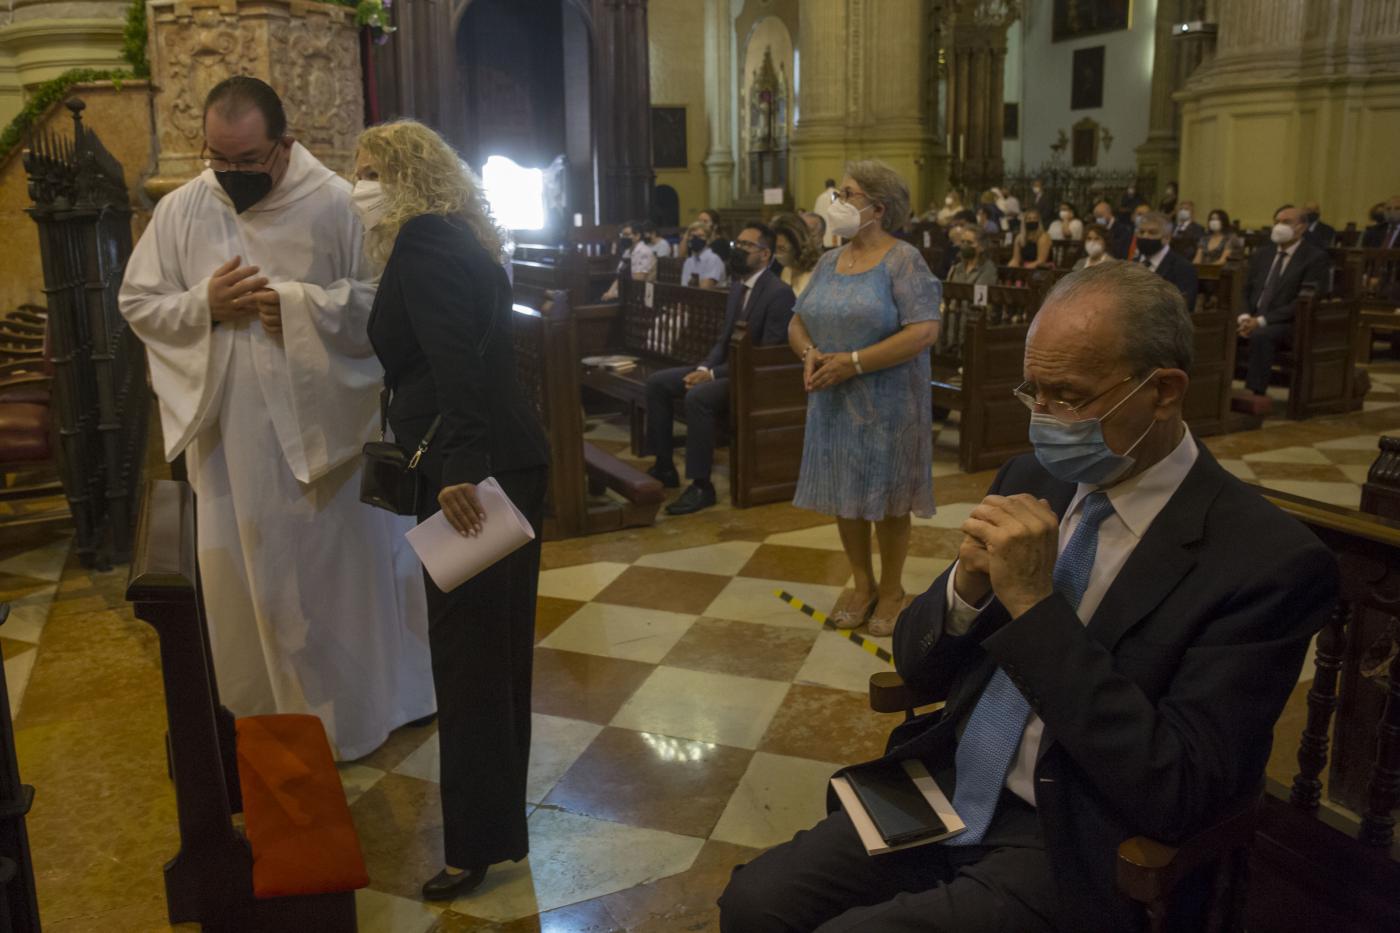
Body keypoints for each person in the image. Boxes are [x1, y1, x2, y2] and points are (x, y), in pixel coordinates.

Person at [718, 260, 1337, 933]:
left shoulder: (1263, 560)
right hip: (950, 785)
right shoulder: (1034, 474)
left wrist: (1037, 607)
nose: (1043, 419)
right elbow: (919, 664)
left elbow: (1179, 788)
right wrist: (966, 589)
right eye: (1032, 391)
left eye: (1068, 397)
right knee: (755, 904)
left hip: (1074, 834)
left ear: (1163, 391)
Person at [118, 77, 435, 761]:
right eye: (219, 159)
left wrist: (296, 306)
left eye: (248, 160)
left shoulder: (338, 206)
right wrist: (203, 303)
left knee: (337, 579)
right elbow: (140, 302)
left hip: (329, 442)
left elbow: (383, 304)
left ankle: (361, 715)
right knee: (245, 577)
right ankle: (263, 716)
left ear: (284, 144)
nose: (231, 176)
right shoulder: (182, 209)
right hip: (231, 440)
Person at [357, 120, 550, 901]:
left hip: (473, 471)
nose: (359, 185)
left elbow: (455, 358)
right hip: (497, 459)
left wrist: (460, 467)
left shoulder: (427, 241)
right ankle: (495, 832)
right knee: (492, 654)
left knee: (469, 659)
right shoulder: (457, 233)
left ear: (407, 175)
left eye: (370, 171)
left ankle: (473, 847)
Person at [788, 160, 941, 636]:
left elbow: (923, 331)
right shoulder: (830, 261)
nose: (837, 203)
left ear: (878, 207)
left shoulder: (904, 260)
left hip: (889, 403)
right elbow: (798, 319)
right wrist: (811, 354)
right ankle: (861, 583)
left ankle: (892, 589)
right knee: (846, 496)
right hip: (833, 399)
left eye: (847, 195)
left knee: (889, 500)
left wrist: (852, 362)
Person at [645, 222, 796, 515]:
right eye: (736, 245)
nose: (737, 250)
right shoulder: (739, 286)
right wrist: (704, 366)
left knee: (698, 397)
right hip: (728, 368)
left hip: (753, 378)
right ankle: (664, 466)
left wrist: (712, 375)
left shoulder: (779, 293)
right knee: (656, 383)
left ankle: (702, 486)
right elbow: (723, 339)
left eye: (746, 246)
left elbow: (763, 355)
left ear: (765, 255)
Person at [1239, 204, 1331, 398]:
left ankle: (1253, 395)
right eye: (1277, 222)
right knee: (1216, 330)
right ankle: (1213, 395)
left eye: (1286, 222)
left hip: (1290, 324)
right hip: (1252, 318)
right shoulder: (1263, 254)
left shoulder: (1314, 258)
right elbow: (1245, 289)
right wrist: (1245, 316)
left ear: (1302, 227)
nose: (1279, 226)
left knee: (1261, 336)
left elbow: (1303, 302)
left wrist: (1260, 321)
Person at [1135, 211, 1198, 311]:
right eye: (1141, 232)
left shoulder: (1183, 268)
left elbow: (1184, 309)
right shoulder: (1133, 263)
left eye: (1152, 233)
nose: (1145, 236)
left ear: (1167, 238)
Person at [601, 220, 656, 301]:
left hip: (642, 295)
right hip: (626, 293)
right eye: (622, 235)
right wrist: (609, 292)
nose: (623, 238)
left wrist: (615, 294)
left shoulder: (644, 252)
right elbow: (619, 277)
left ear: (637, 236)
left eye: (627, 235)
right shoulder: (628, 251)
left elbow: (638, 281)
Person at [771, 211, 822, 296]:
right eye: (774, 248)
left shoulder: (819, 272)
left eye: (782, 248)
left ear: (797, 246)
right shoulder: (786, 270)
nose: (776, 254)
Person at [681, 222, 726, 288]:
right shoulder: (688, 261)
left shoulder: (714, 259)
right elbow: (684, 286)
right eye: (693, 236)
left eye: (700, 236)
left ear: (708, 240)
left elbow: (706, 288)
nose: (696, 239)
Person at [814, 178, 840, 247]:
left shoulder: (820, 198)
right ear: (834, 185)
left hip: (825, 235)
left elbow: (816, 217)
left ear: (825, 186)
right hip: (838, 235)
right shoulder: (839, 196)